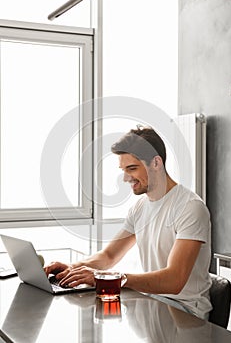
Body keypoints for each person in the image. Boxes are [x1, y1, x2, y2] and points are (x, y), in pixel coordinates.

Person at [45, 126, 212, 320]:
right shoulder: (140, 207)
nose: (125, 178)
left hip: (186, 312)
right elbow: (108, 255)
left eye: (132, 168)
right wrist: (71, 268)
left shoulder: (190, 207)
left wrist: (108, 278)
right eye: (123, 170)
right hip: (153, 302)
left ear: (156, 163)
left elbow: (174, 280)